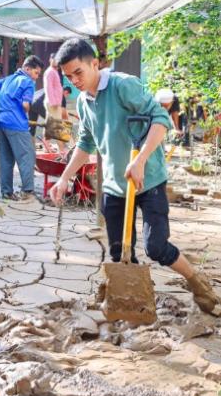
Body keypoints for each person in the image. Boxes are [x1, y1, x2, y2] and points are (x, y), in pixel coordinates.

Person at [48, 38, 221, 316]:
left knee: (157, 247)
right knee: (119, 253)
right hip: (115, 186)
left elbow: (160, 120)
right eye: (68, 77)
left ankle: (198, 283)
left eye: (78, 72)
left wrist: (140, 160)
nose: (74, 80)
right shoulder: (82, 102)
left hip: (148, 179)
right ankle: (131, 300)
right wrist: (65, 176)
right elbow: (86, 142)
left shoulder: (123, 85)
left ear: (95, 64)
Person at [0, 55, 43, 199]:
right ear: (27, 69)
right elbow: (26, 105)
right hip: (16, 124)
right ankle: (27, 192)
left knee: (6, 158)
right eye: (36, 73)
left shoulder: (8, 79)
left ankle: (6, 192)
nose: (36, 77)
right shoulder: (27, 82)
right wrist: (24, 112)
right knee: (27, 155)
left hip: (1, 122)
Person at [43, 54, 68, 153]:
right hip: (53, 103)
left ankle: (46, 146)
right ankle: (62, 150)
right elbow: (48, 88)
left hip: (54, 102)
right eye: (54, 59)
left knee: (49, 125)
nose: (56, 61)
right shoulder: (50, 72)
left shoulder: (54, 71)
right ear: (50, 60)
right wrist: (54, 102)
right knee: (58, 126)